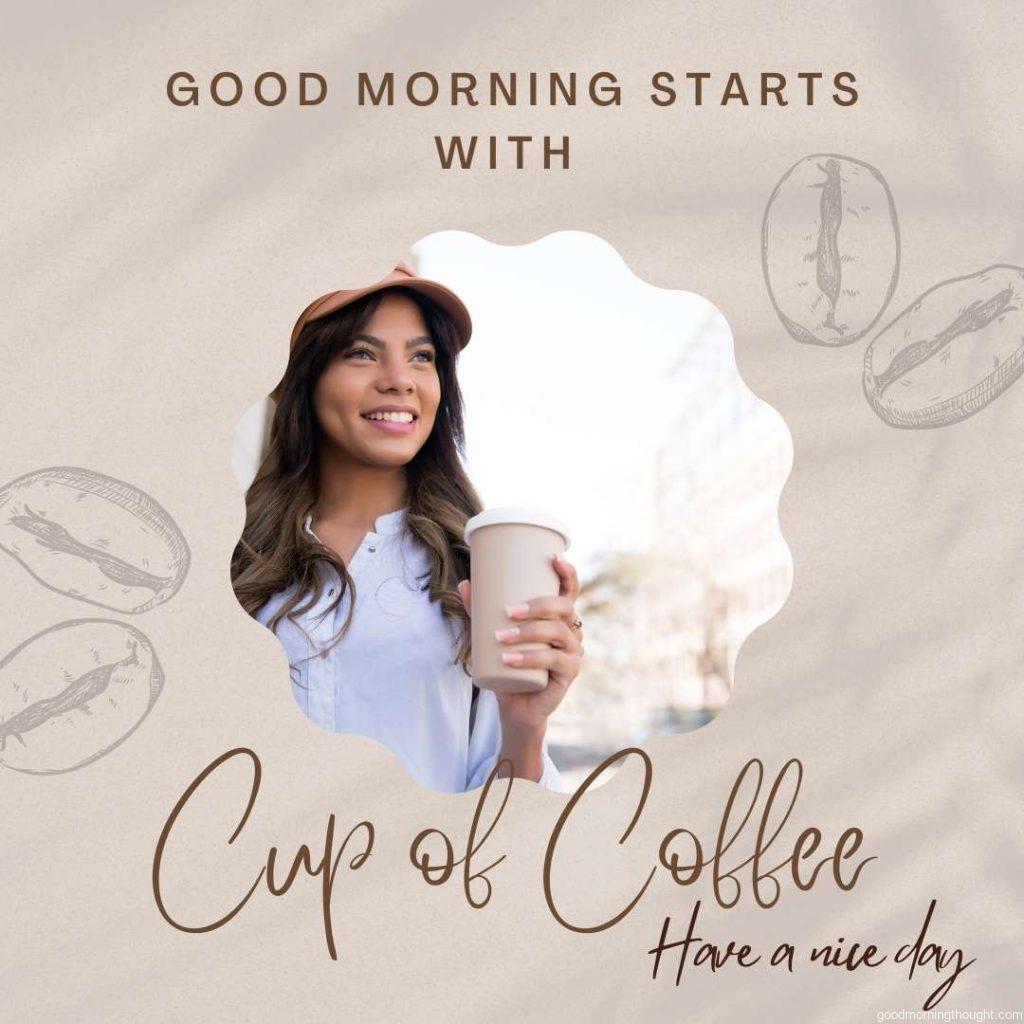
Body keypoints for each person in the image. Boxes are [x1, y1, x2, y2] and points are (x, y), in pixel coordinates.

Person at [231, 262, 584, 794]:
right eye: (361, 353)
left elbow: (503, 825)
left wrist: (525, 726)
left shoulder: (479, 566)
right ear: (303, 379)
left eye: (422, 357)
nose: (399, 379)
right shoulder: (236, 556)